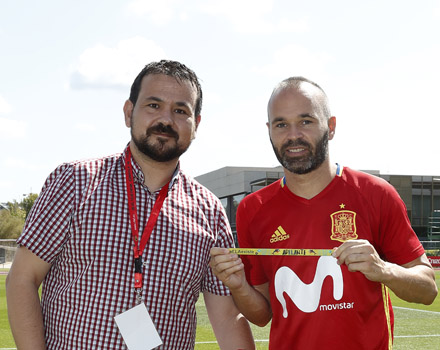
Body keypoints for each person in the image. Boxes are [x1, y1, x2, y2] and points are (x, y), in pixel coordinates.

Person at [6, 60, 255, 350]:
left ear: (196, 125)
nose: (166, 119)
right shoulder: (74, 182)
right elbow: (22, 279)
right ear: (129, 113)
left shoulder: (209, 211)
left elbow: (226, 318)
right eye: (153, 105)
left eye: (180, 110)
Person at [210, 76, 438, 349]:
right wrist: (238, 285)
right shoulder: (252, 209)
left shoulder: (376, 194)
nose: (293, 135)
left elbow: (427, 289)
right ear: (270, 131)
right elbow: (262, 315)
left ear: (330, 127)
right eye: (281, 124)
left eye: (306, 121)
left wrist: (384, 270)